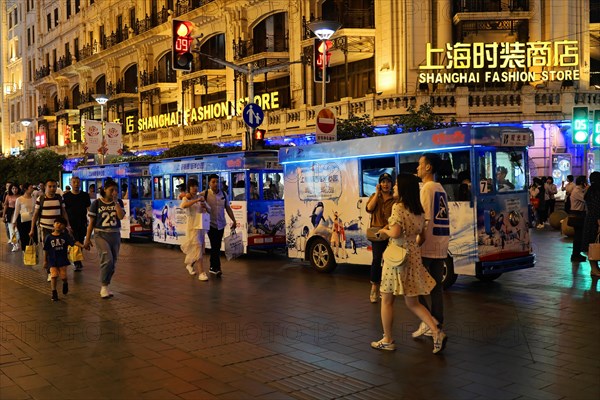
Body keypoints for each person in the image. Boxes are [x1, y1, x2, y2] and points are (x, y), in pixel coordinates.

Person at [371, 173, 447, 354]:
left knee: (386, 298)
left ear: (404, 188)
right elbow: (423, 236)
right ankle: (436, 332)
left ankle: (387, 339)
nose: (394, 186)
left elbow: (396, 232)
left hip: (396, 257)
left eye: (397, 184)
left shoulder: (398, 207)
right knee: (413, 302)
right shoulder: (419, 210)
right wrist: (411, 245)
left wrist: (384, 231)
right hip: (413, 256)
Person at [413, 153, 449, 338]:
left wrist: (418, 242)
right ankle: (436, 321)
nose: (417, 168)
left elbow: (424, 219)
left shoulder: (426, 188)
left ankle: (429, 321)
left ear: (428, 167)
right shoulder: (440, 187)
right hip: (441, 242)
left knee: (414, 286)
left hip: (428, 244)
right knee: (436, 287)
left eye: (420, 164)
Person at [84, 180, 125, 298]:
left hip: (115, 234)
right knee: (107, 259)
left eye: (116, 190)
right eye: (111, 190)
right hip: (101, 234)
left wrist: (116, 203)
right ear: (104, 190)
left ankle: (107, 284)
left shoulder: (118, 202)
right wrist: (87, 239)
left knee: (113, 262)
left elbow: (121, 216)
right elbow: (91, 223)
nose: (114, 192)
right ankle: (103, 286)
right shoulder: (96, 203)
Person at [30, 179, 71, 282]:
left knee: (60, 249)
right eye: (50, 186)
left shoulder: (59, 198)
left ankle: (59, 269)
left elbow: (64, 212)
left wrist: (68, 225)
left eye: (54, 186)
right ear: (45, 187)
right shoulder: (41, 198)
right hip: (45, 228)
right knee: (48, 249)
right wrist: (32, 229)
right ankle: (50, 271)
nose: (52, 188)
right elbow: (35, 214)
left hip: (59, 229)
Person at [365, 172, 394, 303]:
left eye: (388, 181)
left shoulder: (395, 198)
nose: (385, 184)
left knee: (389, 262)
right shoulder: (375, 196)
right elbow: (369, 208)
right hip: (377, 233)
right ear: (379, 184)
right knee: (376, 260)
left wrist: (387, 228)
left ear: (391, 184)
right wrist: (377, 193)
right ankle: (374, 287)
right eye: (383, 181)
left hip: (390, 232)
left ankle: (385, 288)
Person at [205, 174, 237, 277]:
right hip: (210, 224)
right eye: (213, 182)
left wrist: (234, 220)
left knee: (217, 245)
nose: (215, 184)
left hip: (221, 224)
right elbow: (193, 197)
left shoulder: (224, 194)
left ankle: (212, 266)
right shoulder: (205, 194)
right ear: (209, 183)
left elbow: (227, 208)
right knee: (215, 245)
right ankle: (216, 267)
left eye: (217, 182)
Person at [44, 216, 84, 301]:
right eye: (57, 223)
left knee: (63, 277)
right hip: (52, 261)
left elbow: (73, 242)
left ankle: (65, 283)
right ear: (53, 224)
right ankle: (54, 292)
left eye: (61, 224)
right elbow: (46, 249)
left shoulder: (65, 236)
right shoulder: (48, 237)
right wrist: (45, 261)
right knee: (53, 276)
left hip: (62, 260)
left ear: (64, 227)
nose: (59, 225)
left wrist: (82, 245)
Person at [180, 179, 211, 281]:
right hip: (192, 226)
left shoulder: (201, 197)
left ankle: (189, 264)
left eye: (196, 186)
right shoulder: (186, 198)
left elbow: (210, 210)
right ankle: (201, 273)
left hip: (200, 226)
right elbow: (183, 206)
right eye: (192, 186)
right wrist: (195, 201)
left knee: (199, 248)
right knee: (197, 247)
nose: (194, 188)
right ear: (189, 188)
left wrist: (204, 205)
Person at [63, 176, 91, 271]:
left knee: (80, 240)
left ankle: (77, 259)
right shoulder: (66, 196)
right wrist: (67, 224)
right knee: (74, 241)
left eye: (78, 182)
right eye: (74, 182)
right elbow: (64, 211)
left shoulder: (85, 195)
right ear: (70, 183)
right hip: (71, 223)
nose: (76, 184)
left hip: (82, 222)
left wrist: (91, 219)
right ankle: (76, 261)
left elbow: (89, 208)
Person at [582, 171, 600, 277]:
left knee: (592, 244)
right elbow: (597, 208)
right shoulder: (597, 192)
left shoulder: (589, 191)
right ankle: (594, 269)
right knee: (595, 243)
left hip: (589, 220)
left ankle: (594, 268)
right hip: (596, 221)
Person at [12, 183, 37, 255]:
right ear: (25, 189)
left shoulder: (34, 198)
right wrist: (14, 222)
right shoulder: (19, 199)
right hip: (22, 221)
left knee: (33, 237)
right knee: (23, 237)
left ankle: (32, 252)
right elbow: (16, 211)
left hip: (32, 220)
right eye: (31, 187)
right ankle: (25, 253)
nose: (32, 189)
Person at [570, 175, 588, 262]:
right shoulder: (577, 191)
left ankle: (577, 254)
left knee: (579, 236)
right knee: (578, 236)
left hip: (579, 215)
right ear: (582, 182)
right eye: (586, 181)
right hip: (577, 215)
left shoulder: (579, 190)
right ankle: (575, 255)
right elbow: (586, 199)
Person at [3, 184, 21, 251]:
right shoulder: (8, 196)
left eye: (16, 188)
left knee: (18, 230)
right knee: (11, 230)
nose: (14, 190)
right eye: (13, 188)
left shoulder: (20, 196)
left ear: (18, 189)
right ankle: (14, 245)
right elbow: (6, 205)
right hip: (10, 213)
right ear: (10, 189)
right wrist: (3, 215)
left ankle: (17, 243)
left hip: (18, 213)